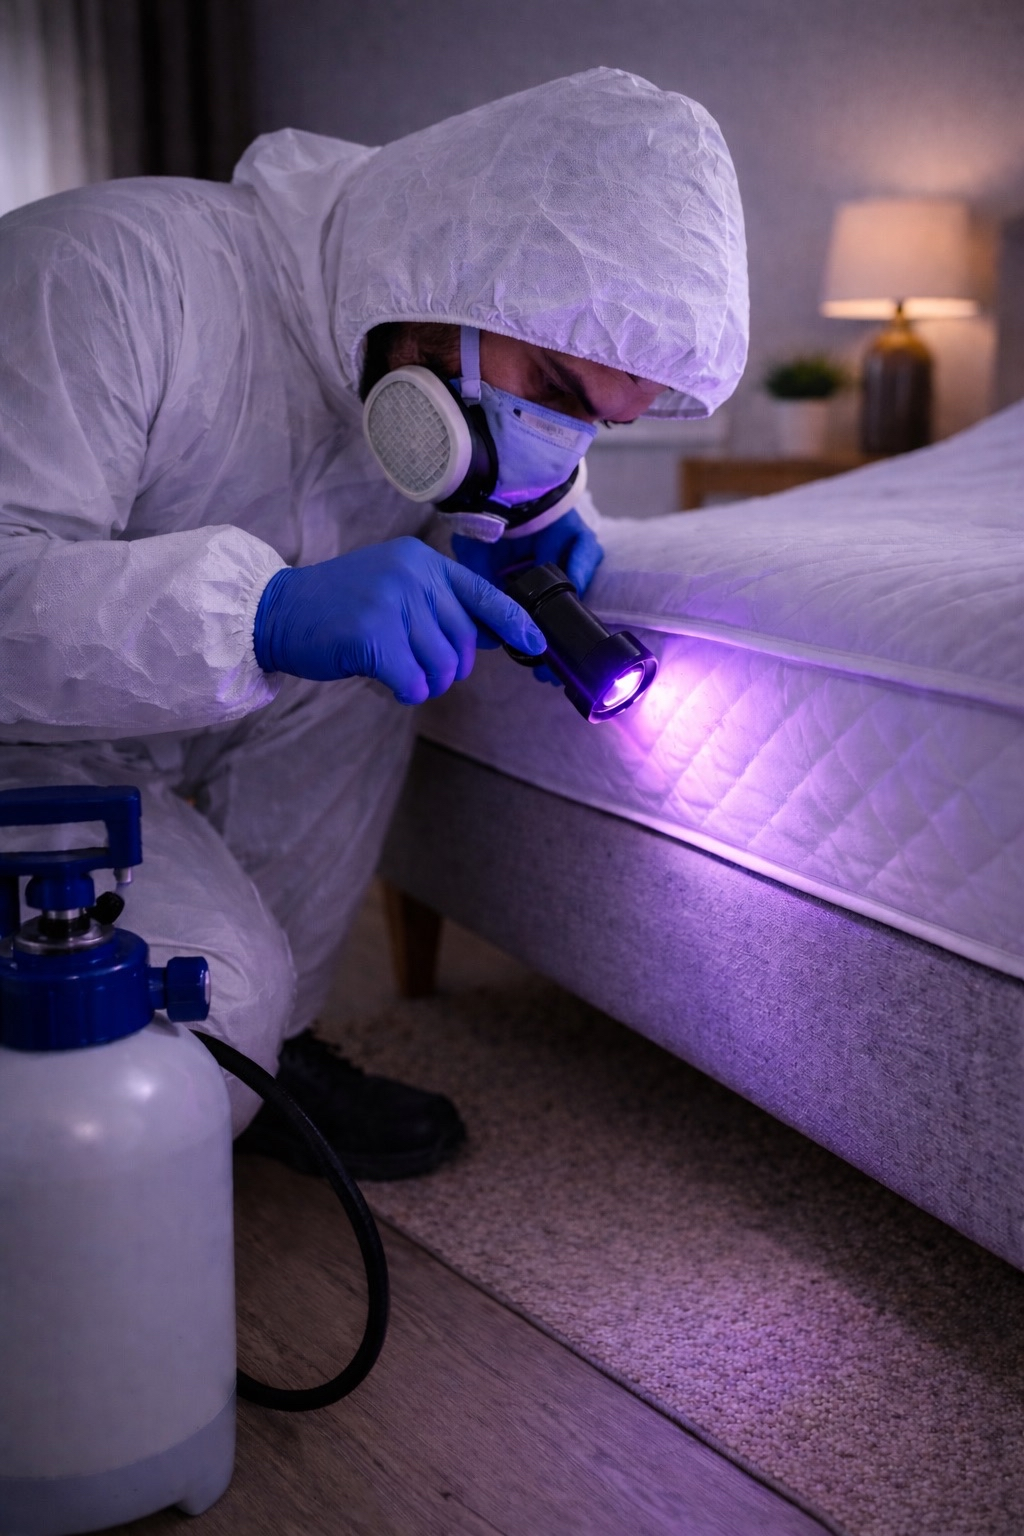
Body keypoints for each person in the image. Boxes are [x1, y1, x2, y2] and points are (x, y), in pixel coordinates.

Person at [0, 68, 747, 1178]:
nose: (556, 440)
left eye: (600, 423)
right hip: (23, 755)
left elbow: (513, 451)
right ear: (454, 265)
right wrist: (258, 614)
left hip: (145, 737)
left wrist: (548, 518)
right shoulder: (112, 274)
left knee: (378, 666)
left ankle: (289, 1042)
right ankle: (255, 1039)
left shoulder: (410, 346)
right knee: (215, 1027)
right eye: (553, 388)